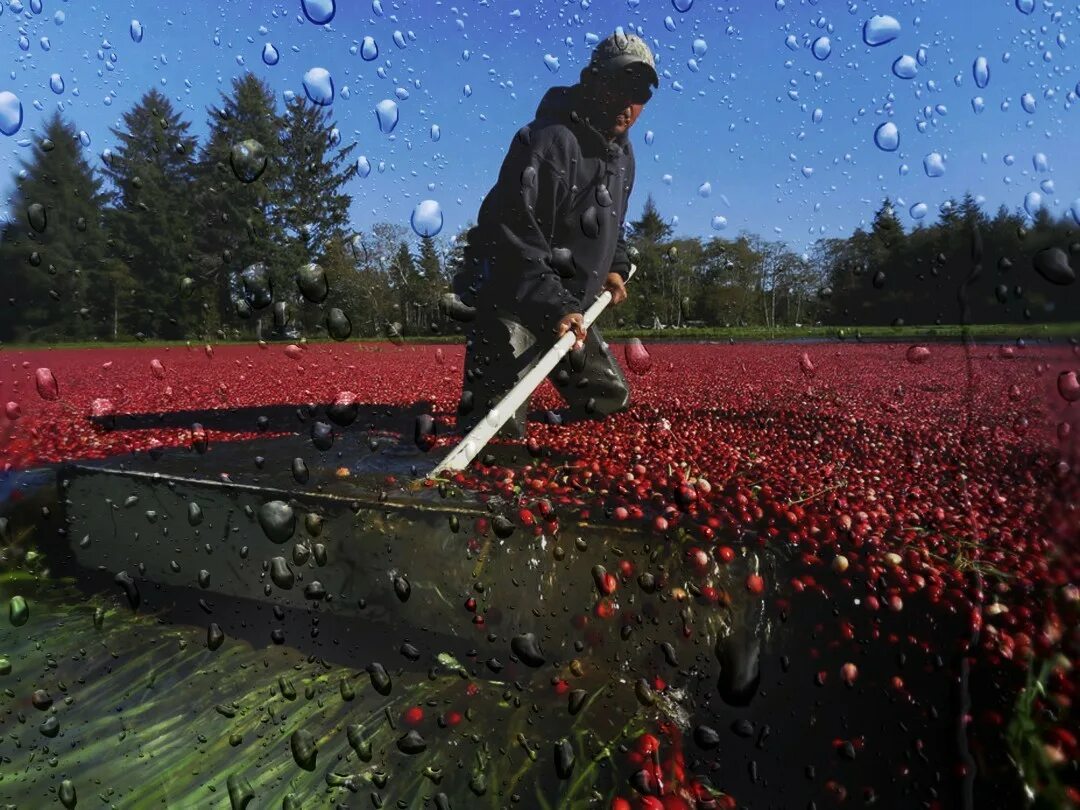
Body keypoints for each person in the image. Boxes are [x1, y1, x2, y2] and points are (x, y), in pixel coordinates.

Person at [450, 31, 658, 440]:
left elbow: (611, 222)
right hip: (509, 299)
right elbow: (513, 238)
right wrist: (555, 305)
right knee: (495, 435)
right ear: (593, 81)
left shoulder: (623, 157)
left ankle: (546, 424)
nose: (626, 101)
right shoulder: (550, 141)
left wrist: (613, 267)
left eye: (638, 91)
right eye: (617, 85)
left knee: (608, 398)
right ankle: (496, 406)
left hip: (568, 310)